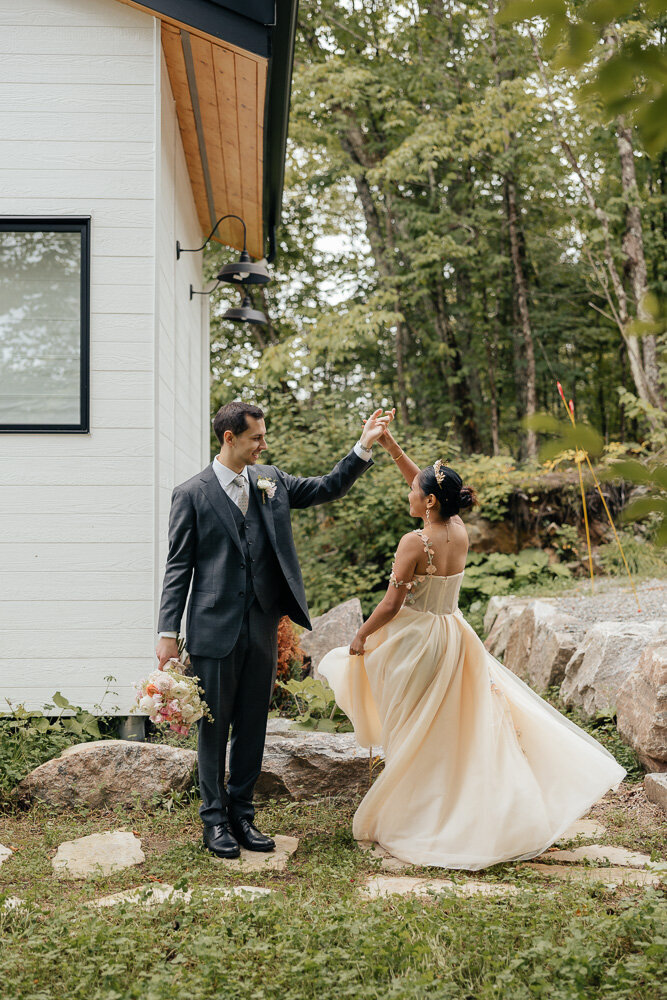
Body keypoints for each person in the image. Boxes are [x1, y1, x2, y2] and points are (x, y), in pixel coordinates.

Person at [318, 423, 626, 870]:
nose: (409, 492)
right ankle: (447, 804)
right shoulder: (457, 528)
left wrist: (361, 634)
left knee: (410, 728)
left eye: (415, 491)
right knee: (445, 729)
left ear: (427, 502)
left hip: (414, 643)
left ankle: (419, 816)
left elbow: (390, 604)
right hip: (453, 636)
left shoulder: (414, 542)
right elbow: (421, 481)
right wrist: (389, 445)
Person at [155, 401, 392, 859]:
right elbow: (178, 566)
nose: (264, 444)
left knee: (252, 724)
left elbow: (327, 487)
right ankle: (214, 821)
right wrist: (168, 630)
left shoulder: (272, 480)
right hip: (211, 627)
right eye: (256, 438)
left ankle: (243, 814)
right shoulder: (192, 493)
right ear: (229, 438)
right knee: (213, 726)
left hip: (262, 624)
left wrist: (364, 445)